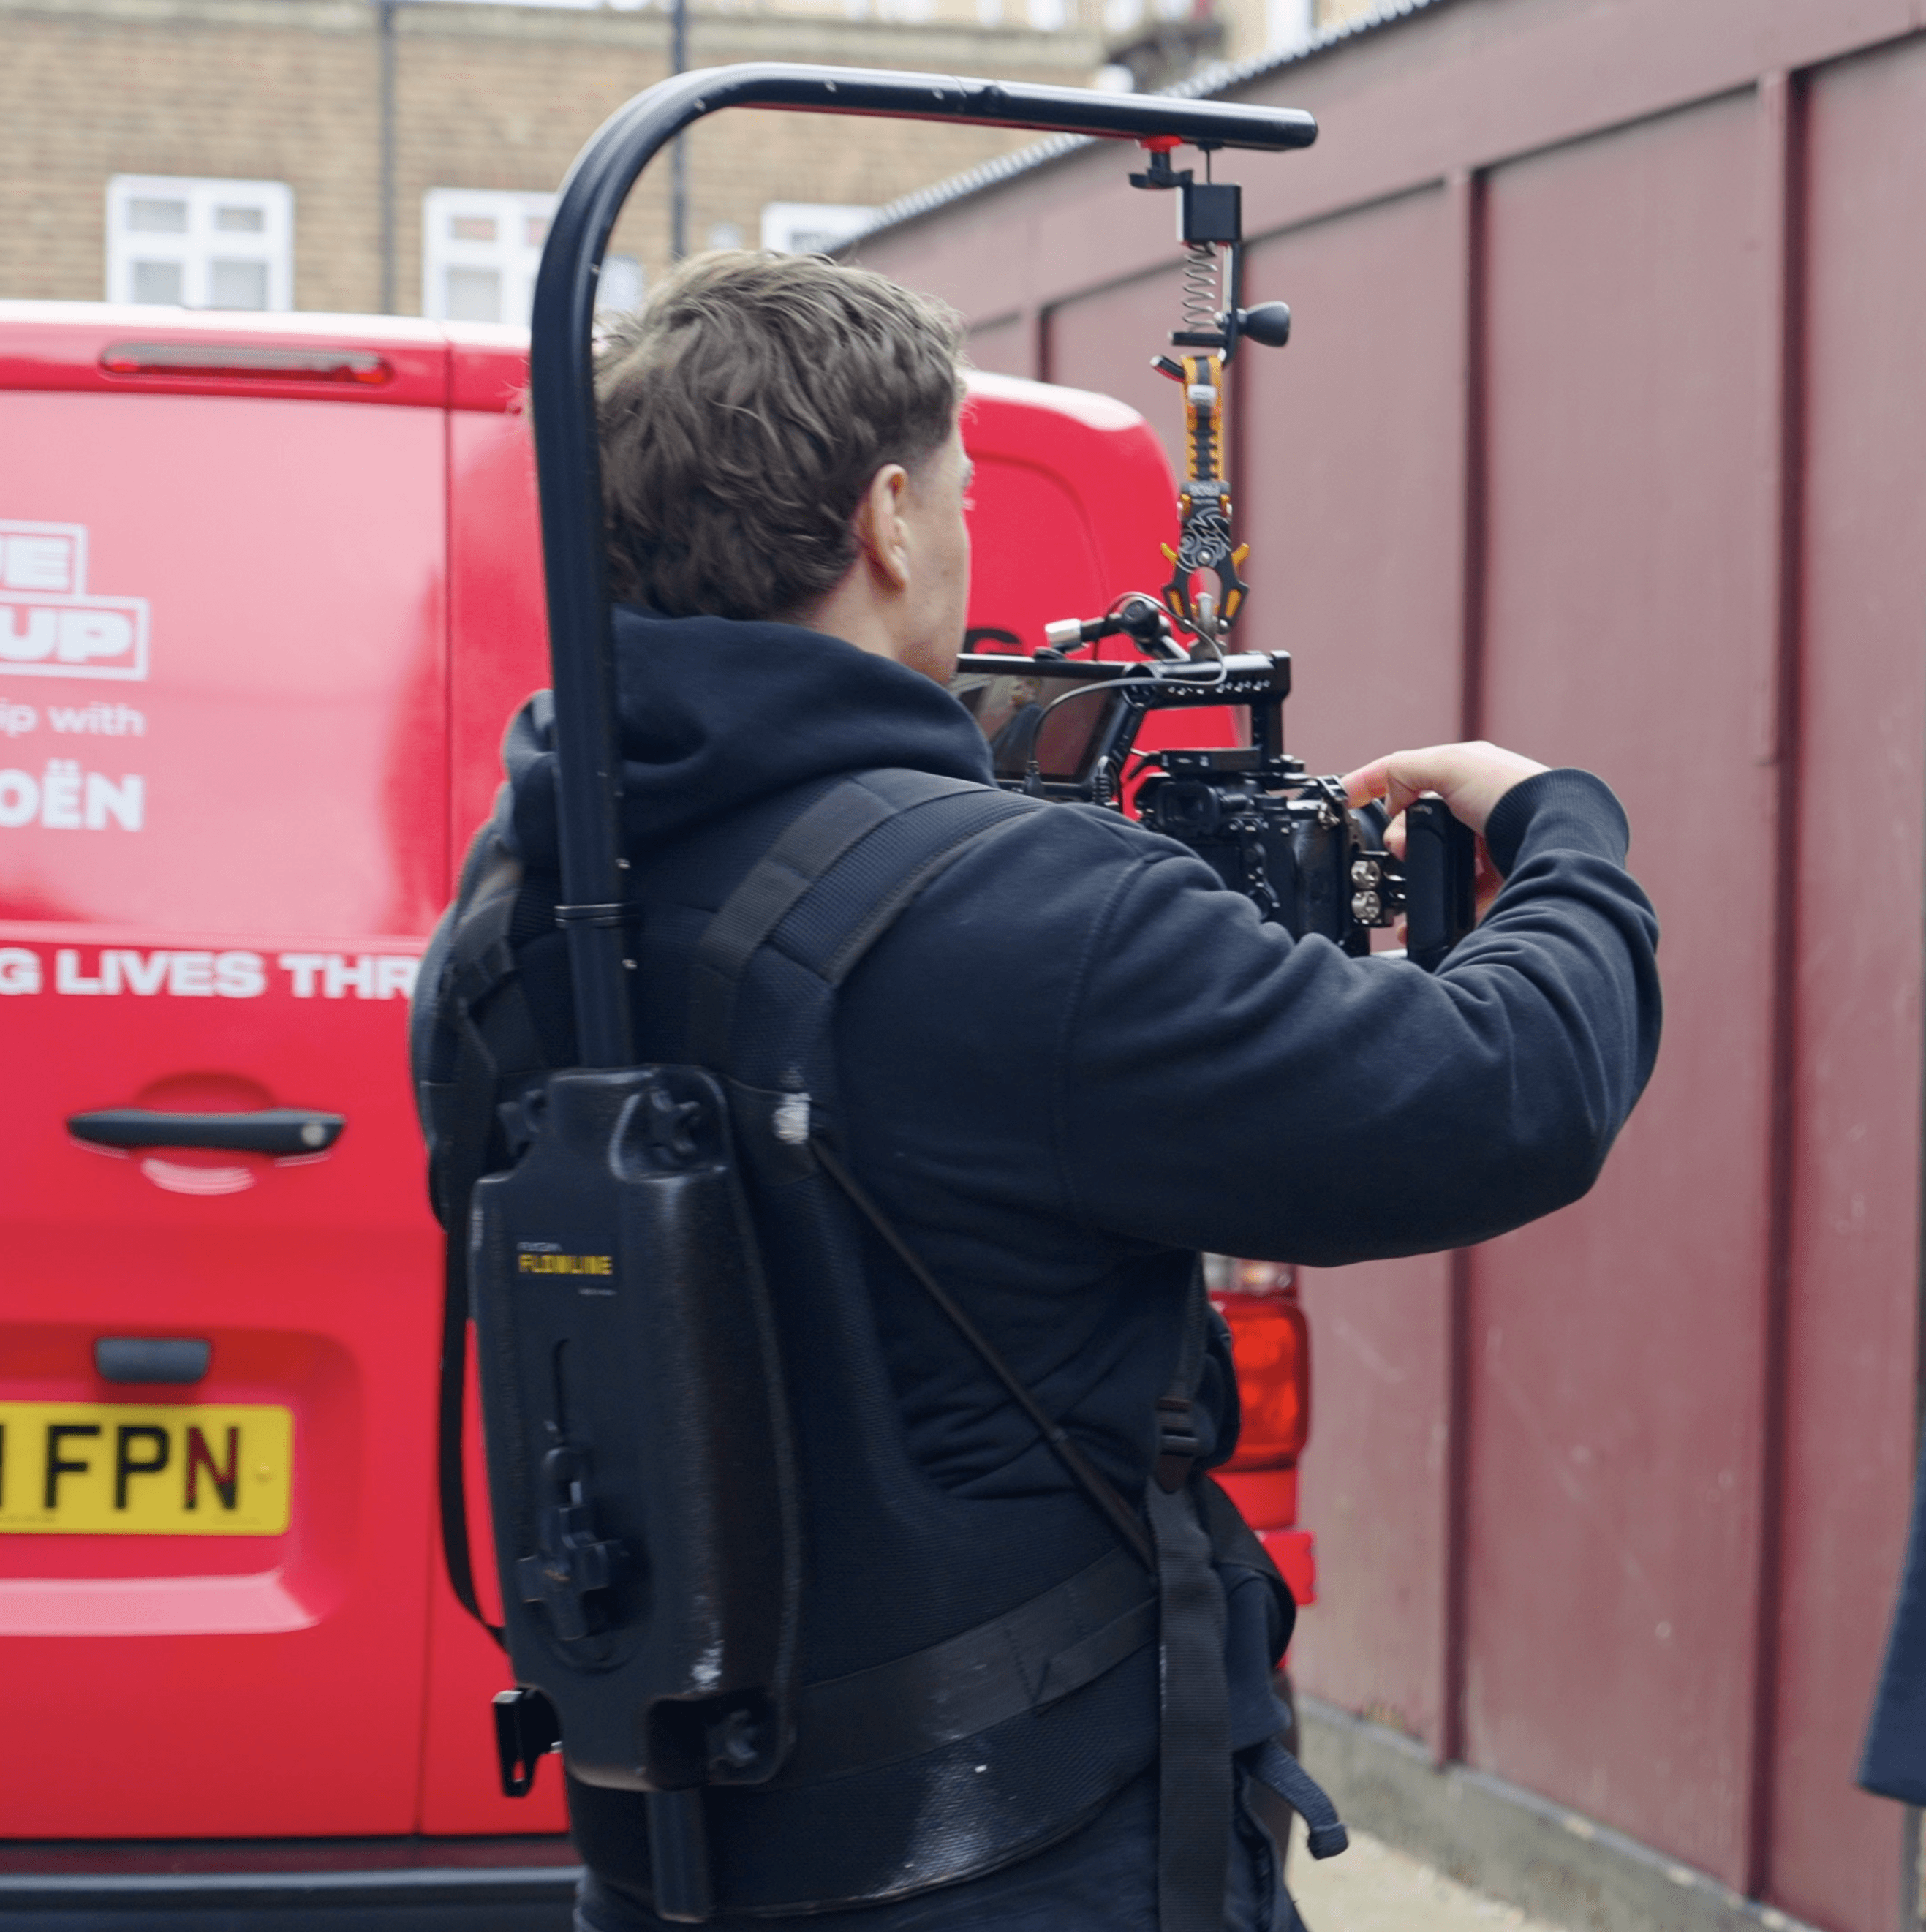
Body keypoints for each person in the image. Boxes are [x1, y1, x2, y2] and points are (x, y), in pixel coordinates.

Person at [473, 249, 1661, 1932]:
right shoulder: (1019, 917)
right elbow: (1500, 1094)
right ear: (889, 517)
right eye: (958, 496)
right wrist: (1563, 834)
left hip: (675, 1863)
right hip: (1034, 1863)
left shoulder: (519, 905)